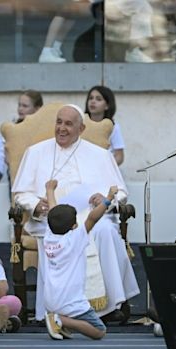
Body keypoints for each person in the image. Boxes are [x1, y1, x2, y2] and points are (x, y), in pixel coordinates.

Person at [11, 104, 140, 321]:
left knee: (107, 230)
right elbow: (20, 193)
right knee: (58, 235)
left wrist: (105, 199)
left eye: (68, 124)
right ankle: (60, 308)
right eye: (59, 122)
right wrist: (36, 205)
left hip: (91, 216)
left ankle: (107, 307)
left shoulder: (99, 155)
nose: (61, 128)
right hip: (50, 220)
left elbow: (121, 192)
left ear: (81, 129)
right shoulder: (35, 152)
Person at [42, 180, 116, 340]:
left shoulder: (49, 236)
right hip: (70, 302)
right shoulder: (74, 239)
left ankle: (58, 320)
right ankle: (60, 320)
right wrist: (108, 198)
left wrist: (49, 190)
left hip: (50, 300)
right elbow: (92, 218)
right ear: (74, 226)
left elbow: (53, 212)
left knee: (70, 315)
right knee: (99, 331)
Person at [84, 85, 125, 166]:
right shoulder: (81, 123)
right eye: (91, 98)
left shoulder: (113, 127)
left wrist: (106, 167)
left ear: (107, 105)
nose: (93, 101)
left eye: (98, 99)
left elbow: (119, 156)